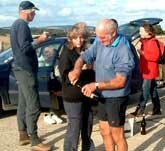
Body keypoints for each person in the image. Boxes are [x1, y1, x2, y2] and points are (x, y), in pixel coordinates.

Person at [68, 19, 135, 151]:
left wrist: (96, 85)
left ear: (113, 33)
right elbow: (83, 57)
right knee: (104, 131)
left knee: (117, 135)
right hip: (102, 95)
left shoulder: (123, 50)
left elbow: (120, 81)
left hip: (116, 97)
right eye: (98, 36)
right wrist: (76, 70)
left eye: (103, 37)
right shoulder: (99, 41)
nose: (100, 40)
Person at [10, 1, 51, 151]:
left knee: (23, 103)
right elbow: (25, 48)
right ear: (24, 11)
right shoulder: (21, 25)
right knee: (33, 106)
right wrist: (40, 40)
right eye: (33, 11)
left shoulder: (17, 25)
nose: (34, 14)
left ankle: (23, 135)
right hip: (26, 70)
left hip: (21, 69)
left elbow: (23, 46)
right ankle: (34, 140)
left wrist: (35, 39)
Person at [59, 22, 95, 151]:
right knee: (74, 129)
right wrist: (80, 69)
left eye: (81, 37)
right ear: (71, 38)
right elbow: (64, 75)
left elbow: (93, 74)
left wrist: (91, 68)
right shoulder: (67, 52)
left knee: (88, 125)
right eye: (75, 38)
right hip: (73, 97)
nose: (79, 40)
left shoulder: (87, 51)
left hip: (86, 95)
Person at [130, 23, 162, 116]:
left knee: (145, 91)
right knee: (153, 90)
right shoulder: (145, 41)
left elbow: (155, 57)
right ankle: (157, 109)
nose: (139, 33)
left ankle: (140, 110)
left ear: (147, 32)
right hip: (146, 69)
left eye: (141, 31)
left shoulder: (152, 42)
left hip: (150, 71)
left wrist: (142, 53)